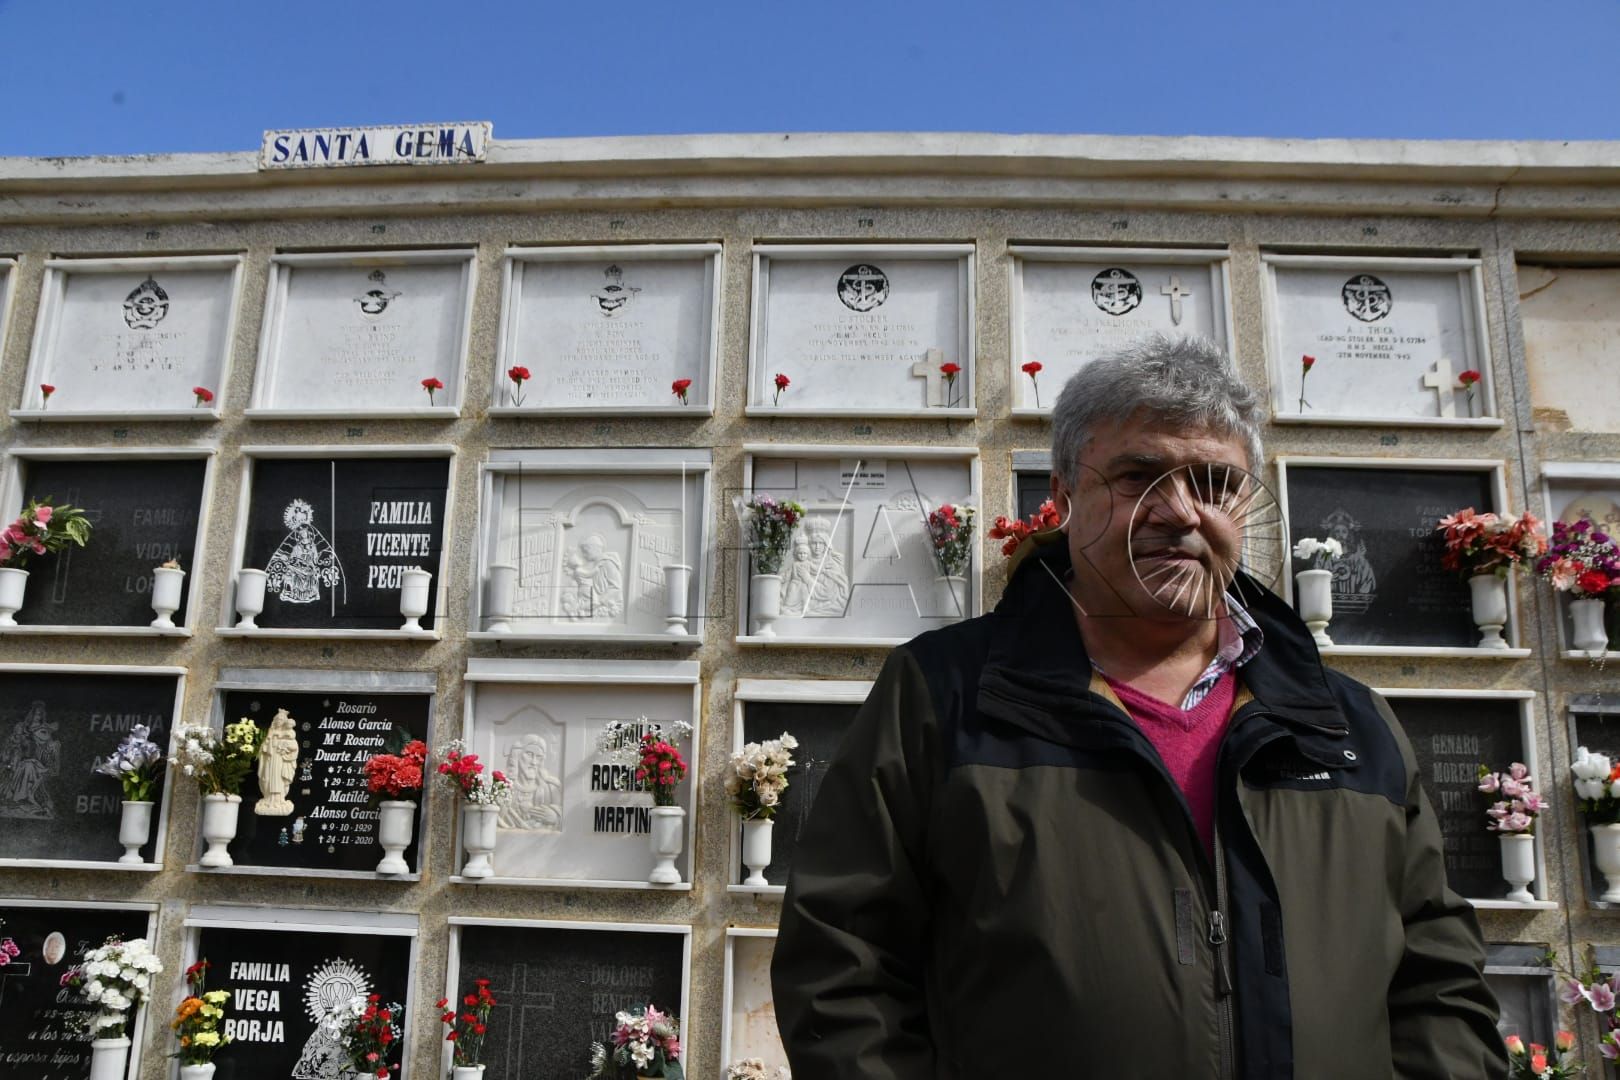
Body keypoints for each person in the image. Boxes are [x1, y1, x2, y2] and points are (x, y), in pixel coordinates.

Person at [772, 335, 1506, 1079]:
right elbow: (843, 964)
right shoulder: (941, 697)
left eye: (1216, 484)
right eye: (1139, 475)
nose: (1181, 513)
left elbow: (1437, 982)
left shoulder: (1349, 726)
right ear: (1062, 494)